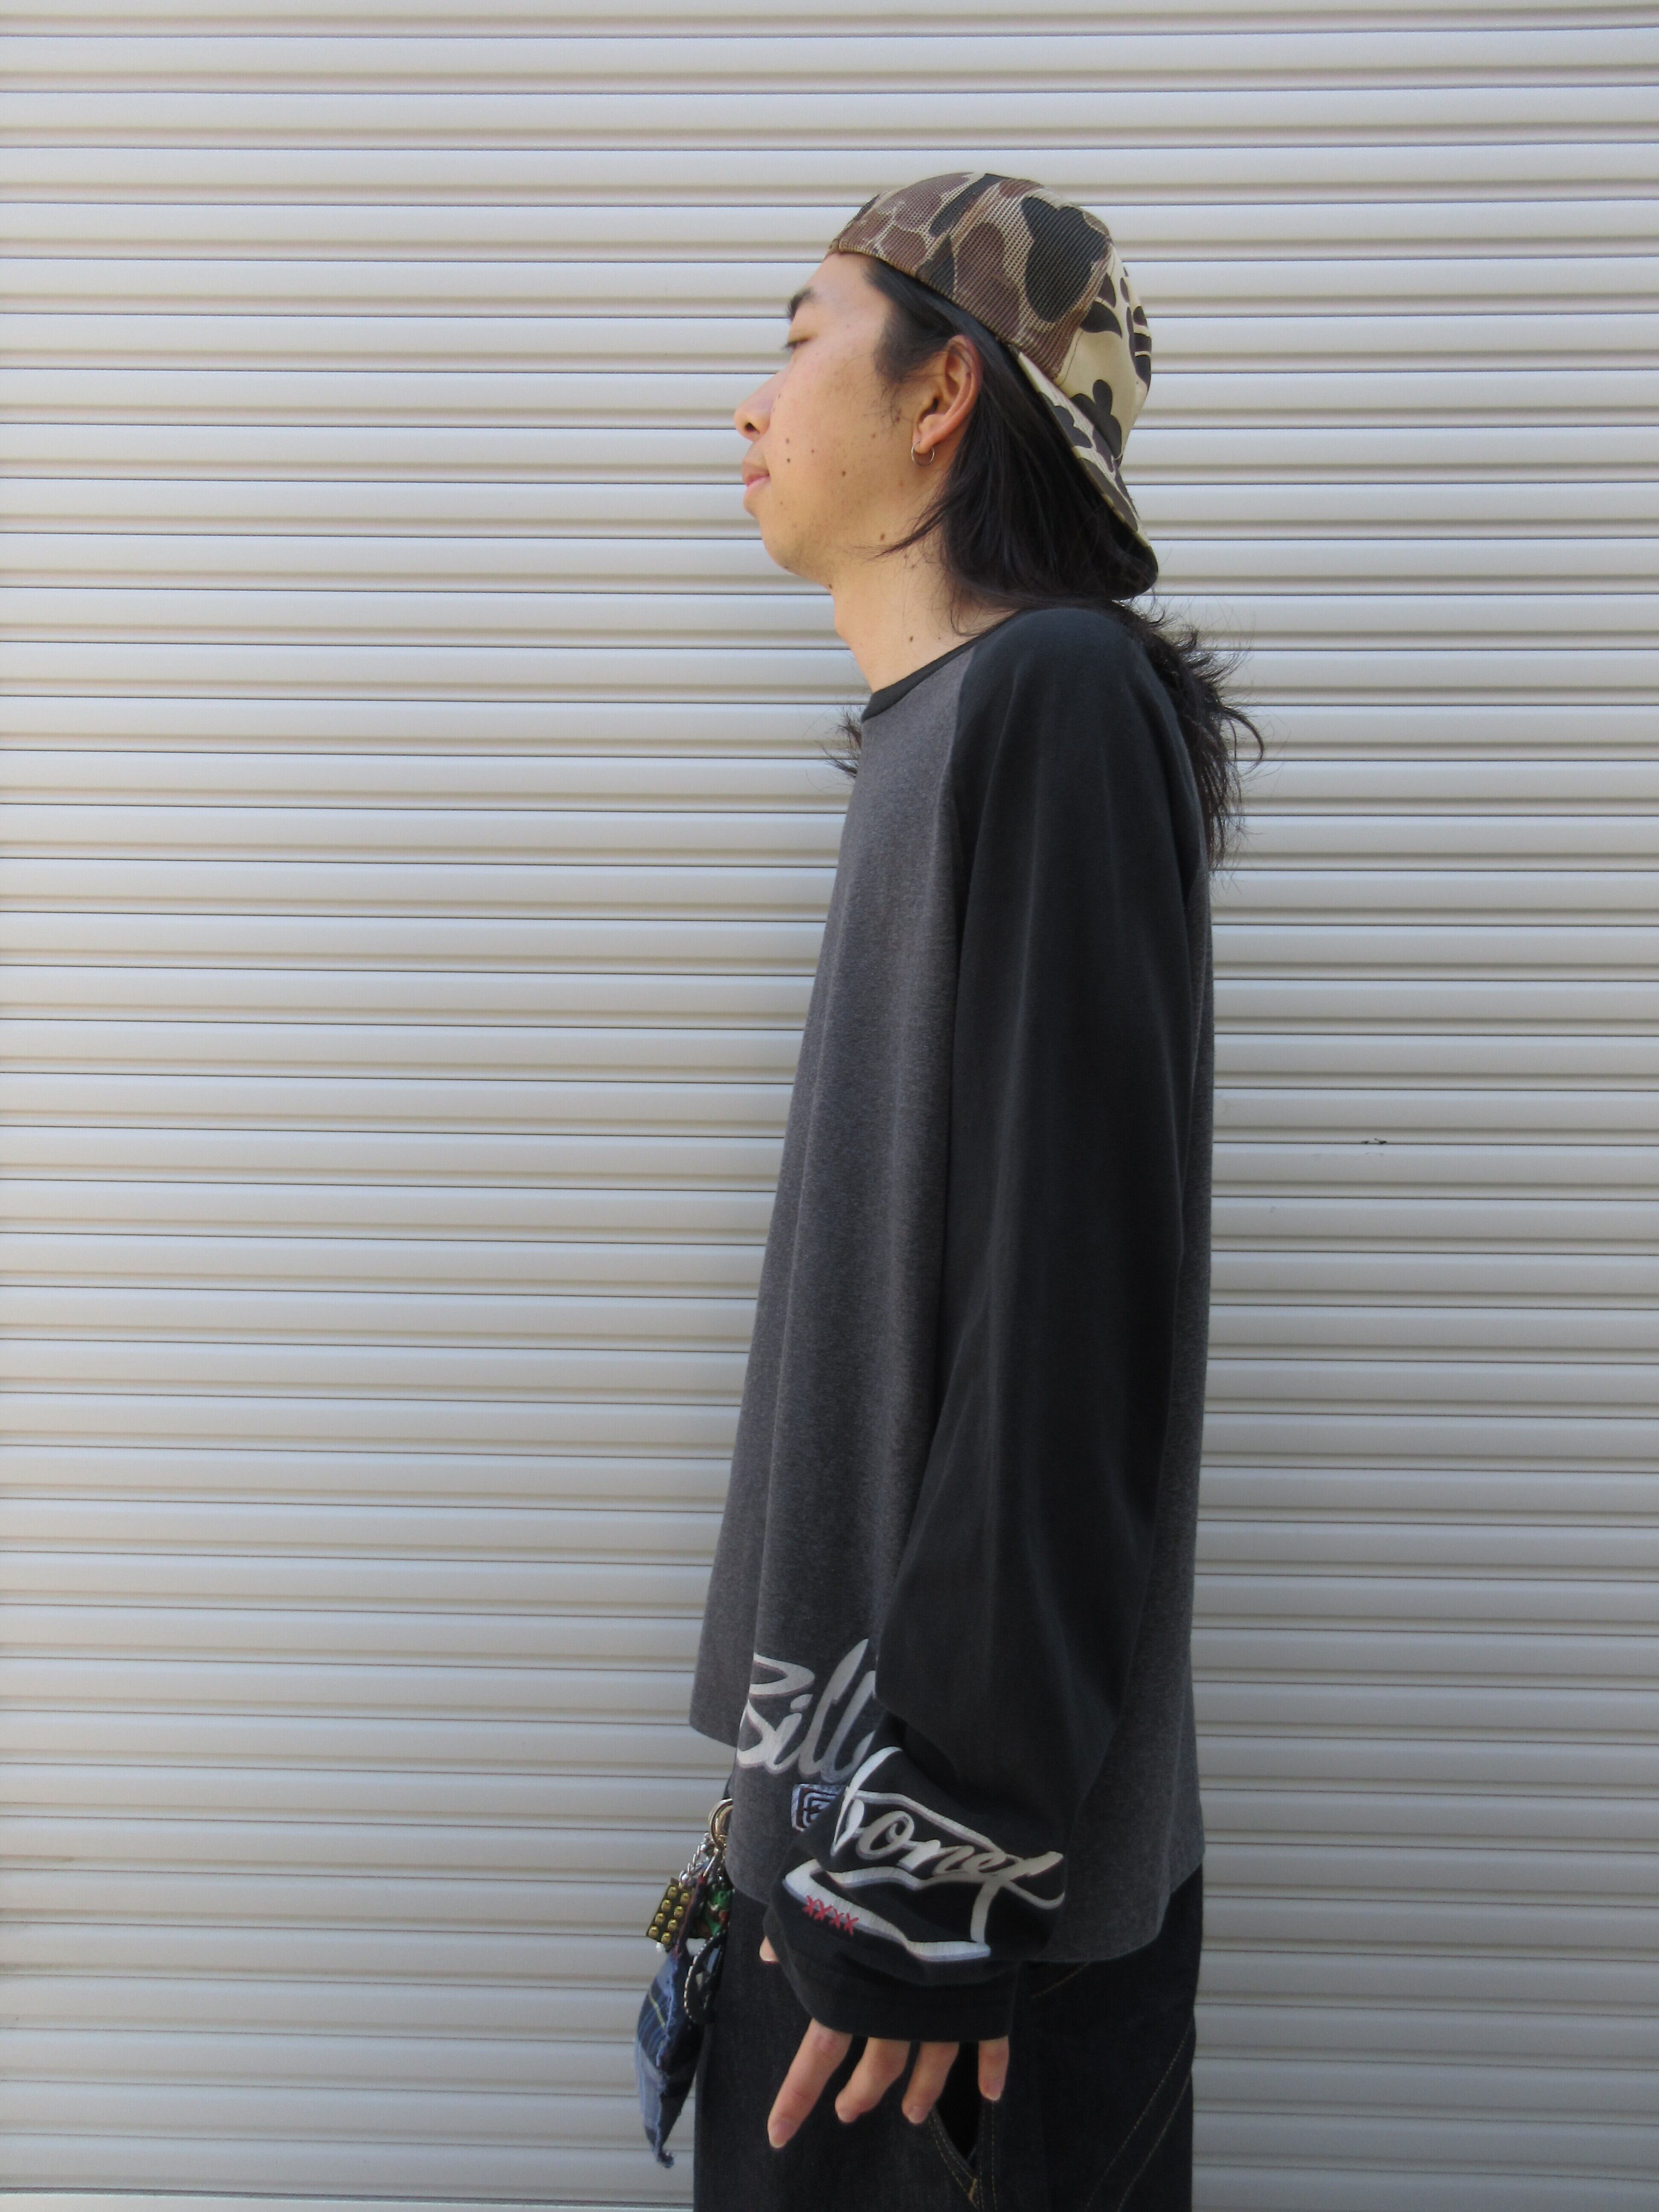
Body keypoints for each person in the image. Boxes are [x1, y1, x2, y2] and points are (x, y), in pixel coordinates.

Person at [685, 174, 1260, 2210]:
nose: (750, 401)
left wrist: (935, 1858)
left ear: (945, 395)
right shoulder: (938, 737)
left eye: (798, 340)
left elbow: (1069, 1322)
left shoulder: (1059, 702)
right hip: (856, 1865)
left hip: (945, 1940)